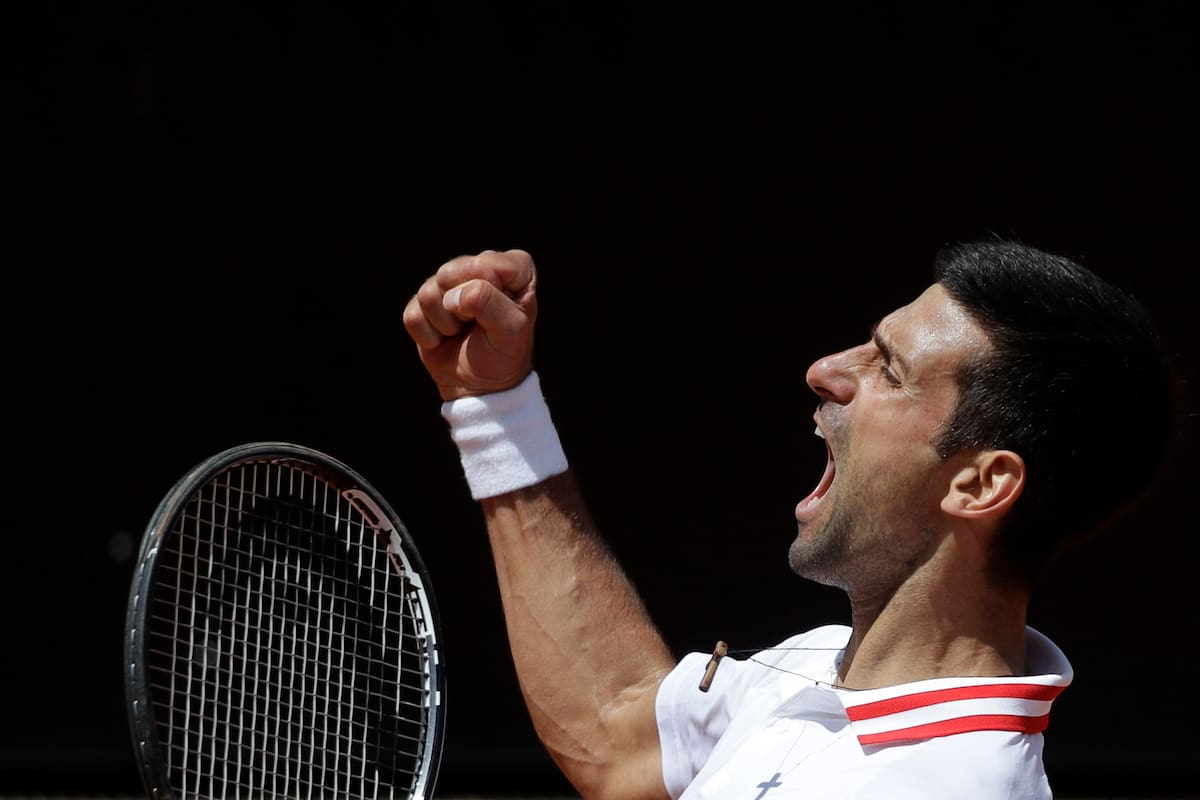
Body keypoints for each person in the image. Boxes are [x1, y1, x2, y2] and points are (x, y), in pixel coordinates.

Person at [401, 241, 1175, 800]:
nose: (826, 370)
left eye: (888, 368)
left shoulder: (950, 785)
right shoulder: (823, 662)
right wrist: (494, 411)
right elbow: (618, 735)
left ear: (979, 483)